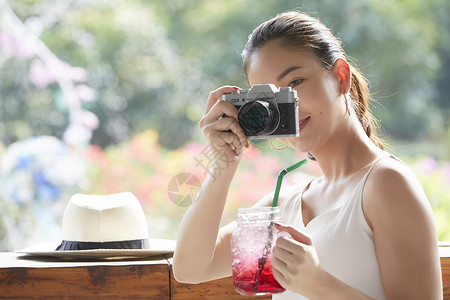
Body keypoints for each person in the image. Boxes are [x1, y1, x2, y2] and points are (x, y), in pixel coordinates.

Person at [172, 10, 443, 300]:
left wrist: (319, 284)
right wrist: (222, 164)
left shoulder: (386, 184)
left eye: (296, 83)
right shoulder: (285, 202)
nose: (288, 106)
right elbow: (191, 269)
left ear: (341, 76)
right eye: (271, 98)